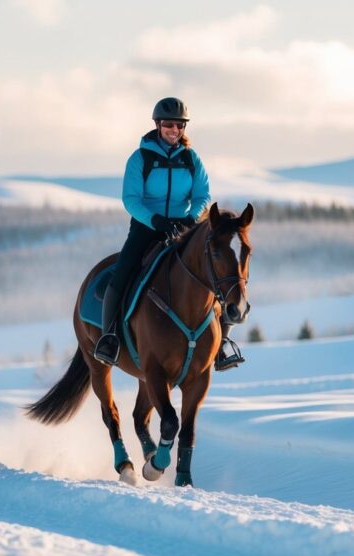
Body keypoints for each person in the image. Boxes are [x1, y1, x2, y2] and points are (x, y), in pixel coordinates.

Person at [94, 97, 244, 371]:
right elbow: (130, 199)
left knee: (216, 273)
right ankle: (110, 338)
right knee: (123, 274)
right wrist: (155, 220)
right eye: (168, 125)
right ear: (157, 125)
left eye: (179, 125)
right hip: (147, 226)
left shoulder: (191, 158)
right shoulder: (140, 158)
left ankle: (222, 344)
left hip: (185, 228)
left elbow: (203, 194)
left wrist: (191, 217)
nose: (174, 130)